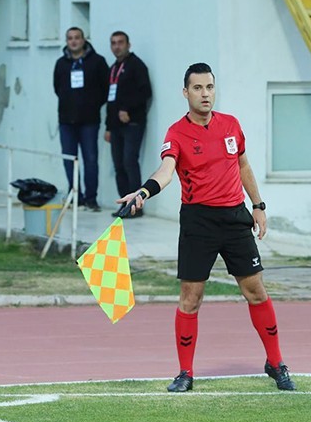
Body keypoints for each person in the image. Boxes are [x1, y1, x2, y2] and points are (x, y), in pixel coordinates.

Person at [117, 63, 295, 393]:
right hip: (198, 221)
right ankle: (185, 373)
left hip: (235, 219)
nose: (205, 94)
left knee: (255, 291)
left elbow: (242, 165)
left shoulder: (231, 125)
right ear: (186, 93)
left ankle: (276, 363)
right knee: (191, 298)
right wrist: (143, 192)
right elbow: (166, 170)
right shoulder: (176, 133)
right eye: (197, 88)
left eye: (210, 87)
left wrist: (258, 206)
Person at [53, 27, 110, 211]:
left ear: (83, 39)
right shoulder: (61, 63)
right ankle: (75, 196)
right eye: (70, 38)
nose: (74, 41)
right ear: (66, 41)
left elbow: (105, 88)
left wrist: (91, 105)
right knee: (69, 159)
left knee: (90, 159)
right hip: (66, 121)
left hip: (89, 121)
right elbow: (57, 87)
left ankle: (91, 199)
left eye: (77, 38)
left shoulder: (97, 62)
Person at [104, 31, 152, 218]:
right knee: (118, 165)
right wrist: (108, 127)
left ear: (128, 44)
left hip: (132, 123)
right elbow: (110, 100)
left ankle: (136, 206)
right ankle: (124, 204)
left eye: (120, 43)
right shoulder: (114, 68)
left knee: (129, 162)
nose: (117, 46)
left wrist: (128, 110)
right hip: (115, 126)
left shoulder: (136, 65)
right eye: (113, 43)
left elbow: (145, 92)